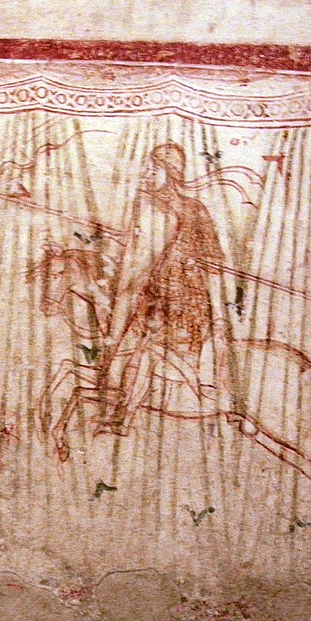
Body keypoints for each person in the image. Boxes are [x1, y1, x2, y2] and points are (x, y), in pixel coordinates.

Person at [103, 142, 230, 435]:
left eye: (154, 168)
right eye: (147, 168)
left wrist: (218, 314)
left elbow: (213, 264)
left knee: (145, 357)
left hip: (185, 304)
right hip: (151, 300)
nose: (146, 174)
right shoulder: (145, 205)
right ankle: (121, 414)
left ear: (171, 171)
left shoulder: (194, 209)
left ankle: (126, 419)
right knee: (123, 357)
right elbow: (136, 256)